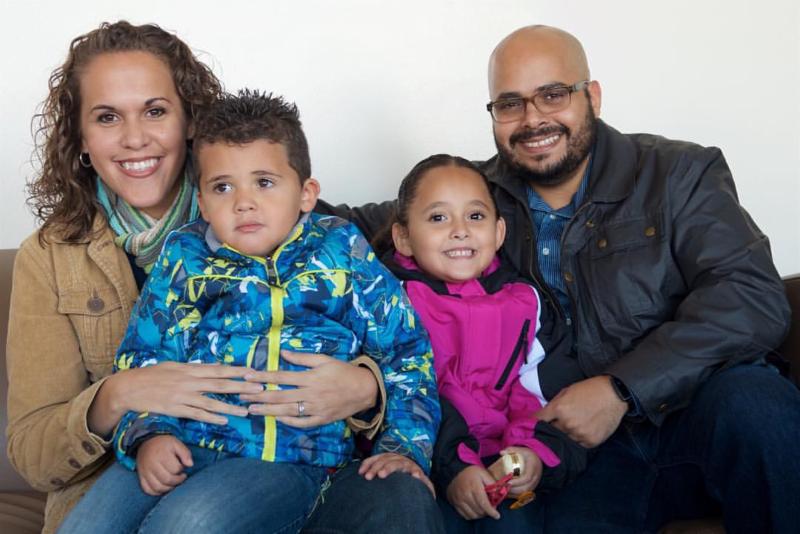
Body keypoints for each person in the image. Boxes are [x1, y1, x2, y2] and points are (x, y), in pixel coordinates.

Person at [326, 24, 800, 533]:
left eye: (553, 94)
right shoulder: (477, 198)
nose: (533, 119)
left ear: (591, 95)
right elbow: (351, 223)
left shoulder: (678, 173)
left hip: (693, 412)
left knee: (757, 404)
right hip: (576, 455)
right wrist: (267, 186)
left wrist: (621, 389)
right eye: (510, 103)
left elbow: (751, 297)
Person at [6, 21, 441, 534]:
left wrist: (368, 389)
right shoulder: (69, 257)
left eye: (155, 110)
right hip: (151, 461)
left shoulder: (312, 232)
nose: (134, 137)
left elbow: (405, 334)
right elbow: (34, 450)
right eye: (107, 117)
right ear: (80, 137)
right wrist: (126, 403)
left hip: (279, 465)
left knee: (191, 521)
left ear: (189, 121)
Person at [381, 154, 586, 533]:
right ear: (404, 238)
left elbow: (548, 392)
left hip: (501, 462)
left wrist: (531, 454)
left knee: (514, 522)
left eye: (475, 216)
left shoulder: (527, 302)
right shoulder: (390, 301)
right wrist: (455, 467)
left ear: (499, 232)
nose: (460, 230)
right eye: (438, 218)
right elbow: (403, 395)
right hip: (427, 459)